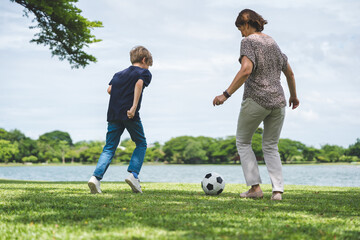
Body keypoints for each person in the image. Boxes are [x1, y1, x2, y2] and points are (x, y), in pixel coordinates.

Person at [212, 9, 299, 201]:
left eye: (241, 28)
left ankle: (255, 189)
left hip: (256, 99)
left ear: (247, 24)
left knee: (243, 142)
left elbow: (246, 70)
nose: (241, 33)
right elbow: (290, 73)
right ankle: (277, 191)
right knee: (271, 146)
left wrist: (225, 94)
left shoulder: (248, 41)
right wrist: (294, 96)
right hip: (278, 101)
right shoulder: (273, 43)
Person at [88, 46, 153, 194]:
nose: (148, 67)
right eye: (148, 64)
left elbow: (110, 89)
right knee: (141, 143)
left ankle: (95, 178)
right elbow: (138, 84)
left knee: (109, 147)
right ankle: (134, 175)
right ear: (144, 60)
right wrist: (133, 107)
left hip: (113, 114)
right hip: (130, 113)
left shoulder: (118, 74)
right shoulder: (144, 72)